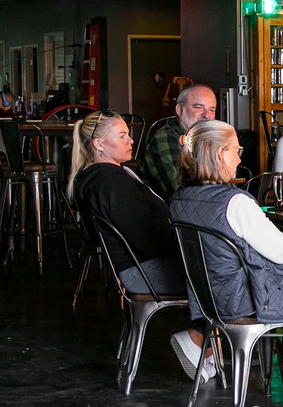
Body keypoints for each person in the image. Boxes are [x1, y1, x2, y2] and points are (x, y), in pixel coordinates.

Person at [170, 119, 283, 396]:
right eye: (236, 149)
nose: (239, 156)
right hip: (254, 298)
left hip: (213, 299)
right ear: (221, 153)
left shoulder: (180, 198)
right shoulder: (235, 202)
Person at [67, 110, 211, 381]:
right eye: (122, 136)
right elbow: (146, 240)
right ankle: (198, 340)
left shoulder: (105, 175)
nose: (131, 140)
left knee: (212, 263)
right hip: (142, 271)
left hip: (136, 266)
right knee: (219, 272)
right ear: (98, 145)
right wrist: (190, 242)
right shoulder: (110, 183)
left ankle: (207, 347)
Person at [140, 84, 217, 202]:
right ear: (179, 109)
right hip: (168, 215)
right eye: (198, 107)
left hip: (200, 208)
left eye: (212, 109)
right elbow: (179, 190)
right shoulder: (165, 137)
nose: (207, 115)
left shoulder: (206, 139)